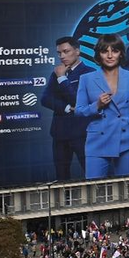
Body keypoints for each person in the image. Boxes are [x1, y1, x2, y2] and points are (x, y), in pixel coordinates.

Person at [75, 36, 129, 179]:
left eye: (115, 51)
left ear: (121, 53)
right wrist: (96, 105)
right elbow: (79, 110)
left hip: (127, 138)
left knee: (126, 189)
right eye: (105, 51)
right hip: (97, 139)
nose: (110, 56)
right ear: (98, 54)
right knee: (93, 189)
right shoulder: (86, 79)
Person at [39, 36, 89, 180]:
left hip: (82, 134)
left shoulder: (89, 72)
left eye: (66, 51)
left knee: (91, 174)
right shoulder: (56, 73)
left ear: (77, 51)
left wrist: (62, 78)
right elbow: (45, 99)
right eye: (59, 53)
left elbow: (78, 101)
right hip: (59, 134)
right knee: (61, 177)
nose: (62, 56)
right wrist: (67, 107)